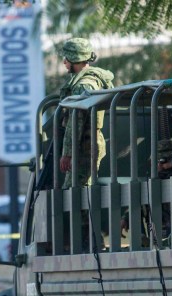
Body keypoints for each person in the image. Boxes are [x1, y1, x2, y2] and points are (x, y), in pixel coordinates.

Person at [58, 38, 114, 188]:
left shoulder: (82, 86)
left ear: (75, 58)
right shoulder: (92, 80)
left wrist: (68, 153)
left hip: (85, 147)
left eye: (67, 58)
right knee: (79, 194)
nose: (64, 62)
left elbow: (76, 121)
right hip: (88, 144)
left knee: (73, 194)